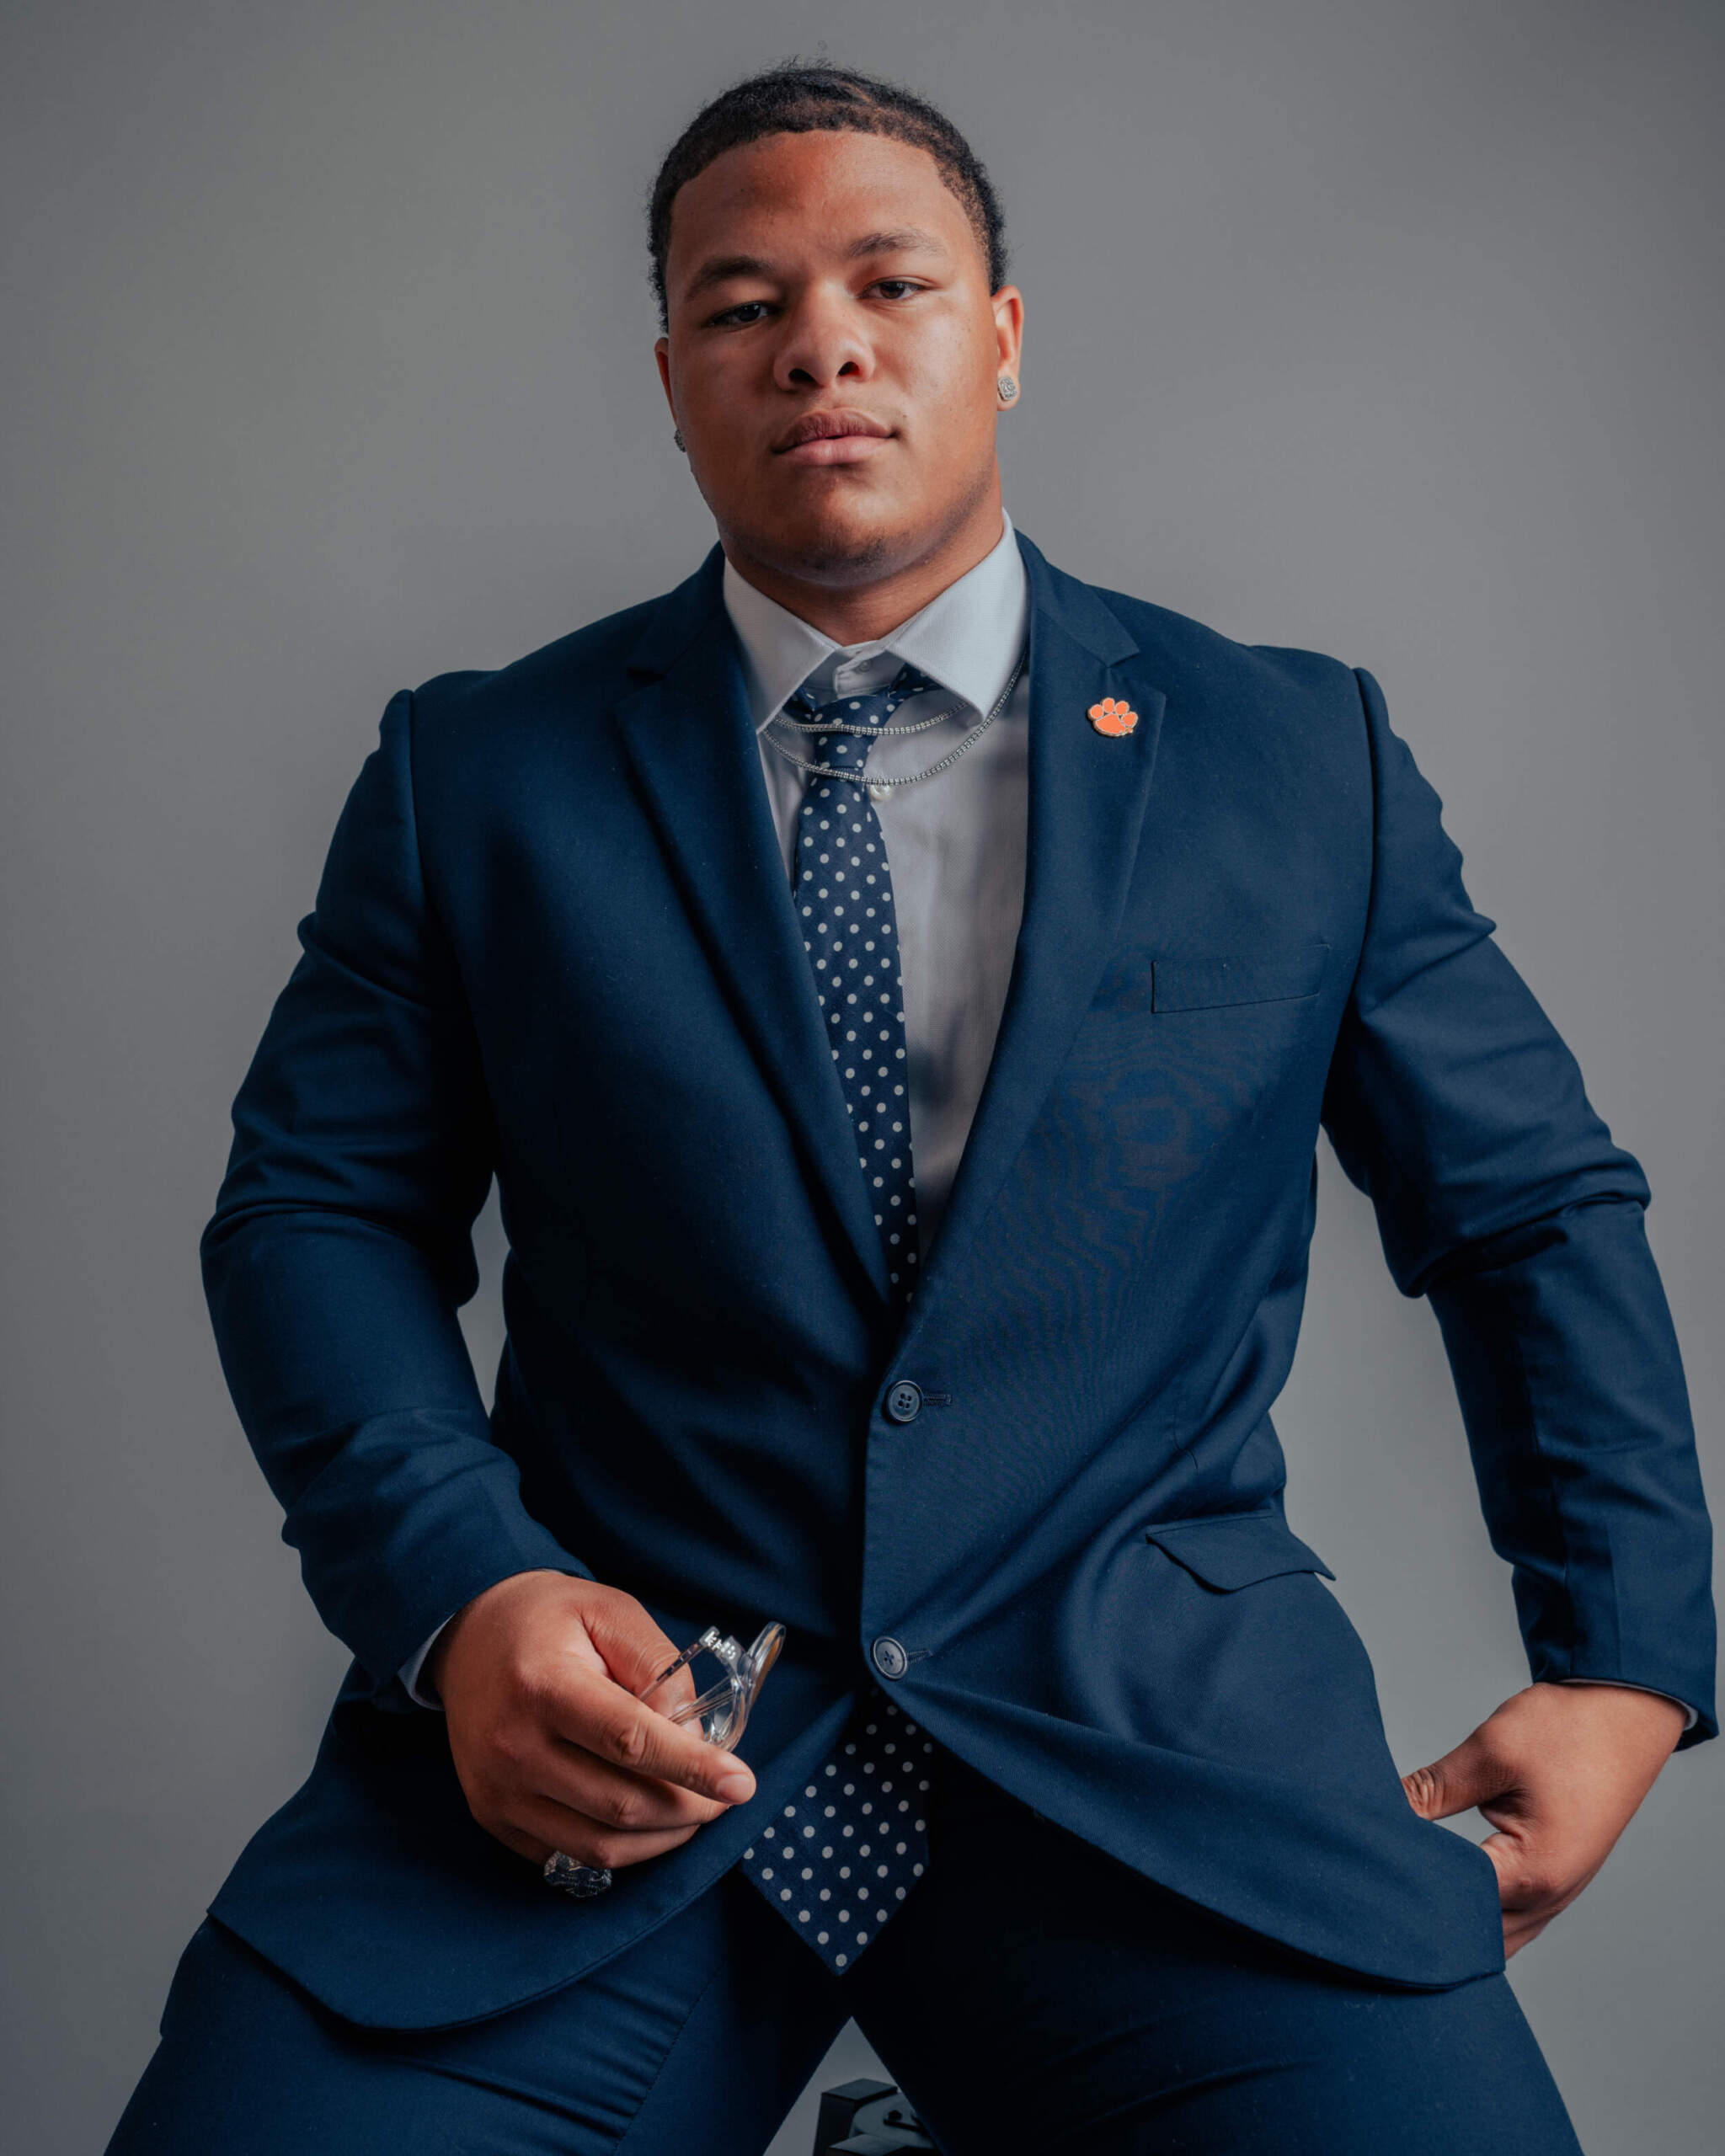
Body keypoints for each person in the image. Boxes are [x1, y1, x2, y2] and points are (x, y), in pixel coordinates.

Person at [107, 60, 1714, 2156]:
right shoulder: (473, 774)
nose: (821, 345)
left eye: (891, 283)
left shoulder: (1289, 755)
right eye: (741, 302)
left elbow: (1528, 1211)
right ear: (672, 378)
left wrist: (1625, 1663)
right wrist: (464, 1594)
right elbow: (313, 1213)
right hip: (613, 1753)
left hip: (1156, 1773)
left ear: (1004, 335)